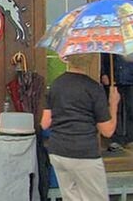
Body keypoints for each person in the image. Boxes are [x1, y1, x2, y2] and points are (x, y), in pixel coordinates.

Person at [41, 54, 120, 201]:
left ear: (68, 59)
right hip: (84, 153)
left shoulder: (55, 84)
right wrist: (113, 105)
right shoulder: (94, 88)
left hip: (58, 152)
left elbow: (45, 122)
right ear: (89, 61)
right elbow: (107, 131)